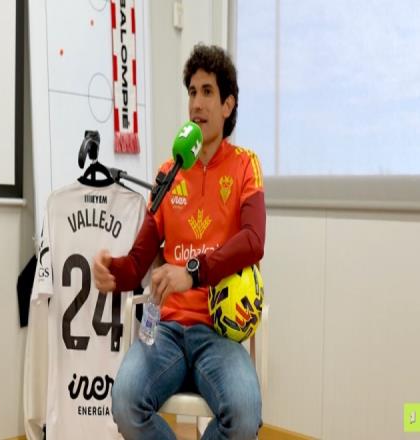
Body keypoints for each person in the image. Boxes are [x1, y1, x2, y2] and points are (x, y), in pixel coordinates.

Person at [93, 43, 266, 440]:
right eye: (191, 92)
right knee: (125, 404)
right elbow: (138, 263)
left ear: (228, 105)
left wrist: (192, 272)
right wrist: (113, 272)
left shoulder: (246, 165)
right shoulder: (168, 172)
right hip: (165, 329)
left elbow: (254, 240)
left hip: (218, 333)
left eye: (207, 92)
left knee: (244, 418)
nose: (196, 104)